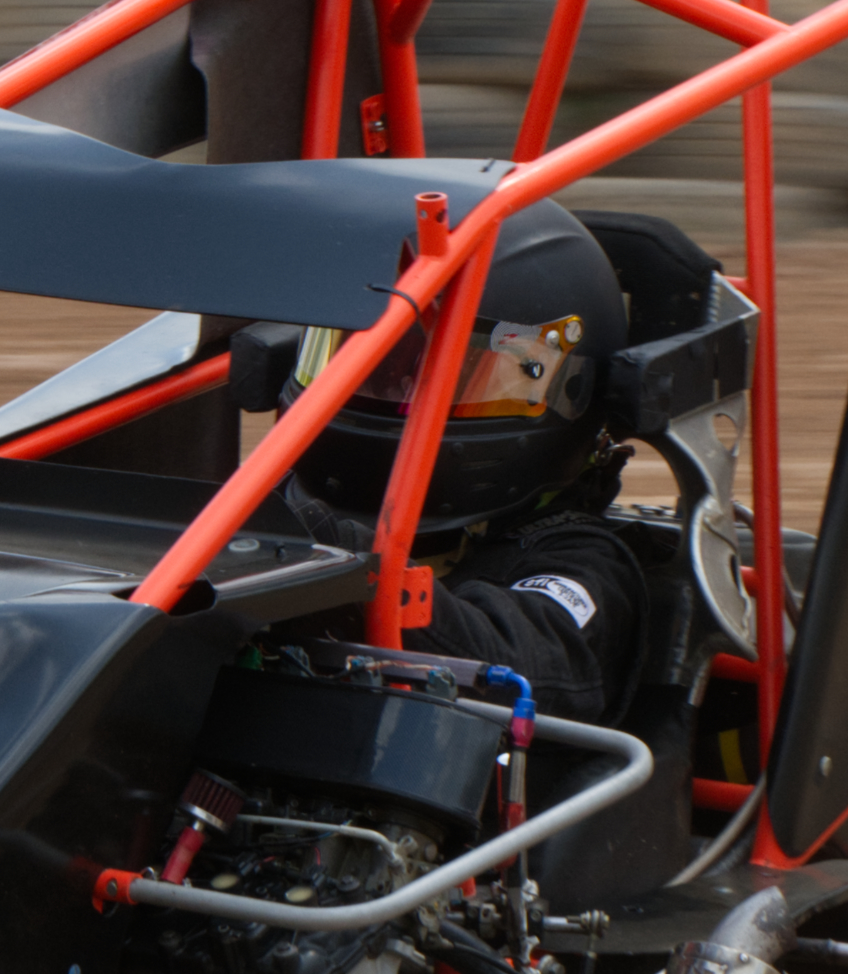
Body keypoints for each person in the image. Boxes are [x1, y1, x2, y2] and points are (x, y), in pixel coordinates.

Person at [272, 202, 647, 726]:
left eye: (455, 378)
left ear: (572, 392)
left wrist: (346, 565)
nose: (400, 394)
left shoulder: (581, 560)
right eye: (372, 368)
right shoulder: (283, 504)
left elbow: (523, 663)